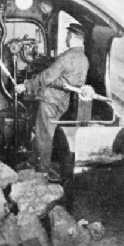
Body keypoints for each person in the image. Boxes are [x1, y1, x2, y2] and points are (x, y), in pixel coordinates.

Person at [16, 23, 89, 182]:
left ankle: (42, 171)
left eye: (68, 36)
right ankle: (33, 162)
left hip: (51, 99)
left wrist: (26, 85)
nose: (66, 39)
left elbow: (47, 76)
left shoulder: (68, 56)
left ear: (72, 37)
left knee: (43, 134)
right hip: (62, 101)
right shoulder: (83, 59)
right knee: (43, 131)